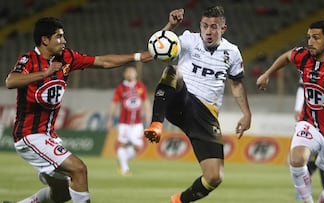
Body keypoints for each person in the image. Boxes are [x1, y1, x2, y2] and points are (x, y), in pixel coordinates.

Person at [4, 17, 151, 203]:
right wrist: (45, 73)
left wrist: (138, 57)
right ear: (44, 40)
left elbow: (102, 61)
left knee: (62, 193)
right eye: (59, 37)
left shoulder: (67, 57)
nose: (64, 41)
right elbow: (11, 81)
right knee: (79, 169)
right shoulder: (29, 59)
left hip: (49, 135)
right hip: (29, 134)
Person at [144, 6, 252, 203]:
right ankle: (156, 124)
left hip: (206, 113)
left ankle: (178, 200)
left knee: (214, 177)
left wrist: (246, 114)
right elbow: (158, 48)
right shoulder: (189, 39)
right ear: (200, 26)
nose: (208, 31)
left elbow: (236, 84)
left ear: (223, 29)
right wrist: (171, 26)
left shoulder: (232, 52)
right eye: (204, 26)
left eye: (213, 27)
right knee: (172, 70)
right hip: (182, 100)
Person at [257, 20, 324, 203]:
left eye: (316, 38)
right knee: (297, 158)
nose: (310, 42)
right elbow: (286, 56)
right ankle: (307, 200)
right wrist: (267, 74)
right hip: (310, 122)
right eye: (309, 37)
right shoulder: (303, 56)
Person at [107, 65, 151, 176]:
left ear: (136, 74)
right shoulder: (121, 88)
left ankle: (123, 160)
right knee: (122, 144)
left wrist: (148, 115)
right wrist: (110, 119)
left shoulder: (140, 86)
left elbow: (146, 101)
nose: (130, 74)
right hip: (124, 123)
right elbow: (114, 103)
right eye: (128, 72)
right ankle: (124, 169)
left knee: (138, 146)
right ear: (124, 74)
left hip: (137, 123)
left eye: (132, 72)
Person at [294, 78, 324, 201]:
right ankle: (304, 189)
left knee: (323, 157)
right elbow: (302, 87)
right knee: (307, 155)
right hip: (309, 119)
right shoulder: (307, 64)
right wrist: (298, 108)